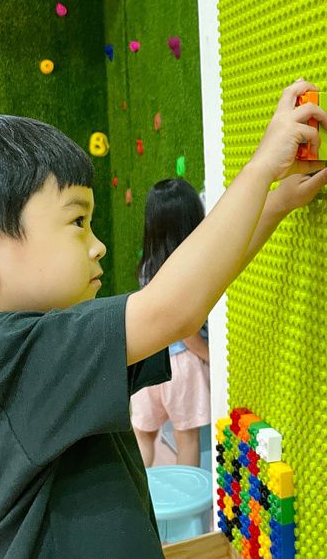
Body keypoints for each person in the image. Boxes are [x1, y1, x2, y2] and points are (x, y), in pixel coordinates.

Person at [0, 79, 327, 558]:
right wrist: (261, 169)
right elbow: (171, 308)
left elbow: (184, 292)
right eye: (77, 222)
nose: (98, 246)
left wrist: (275, 204)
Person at [130, 179, 211, 467]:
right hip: (181, 363)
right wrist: (210, 357)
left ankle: (139, 492)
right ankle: (186, 499)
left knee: (143, 434)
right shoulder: (192, 268)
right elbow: (186, 329)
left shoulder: (148, 266)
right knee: (186, 439)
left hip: (147, 357)